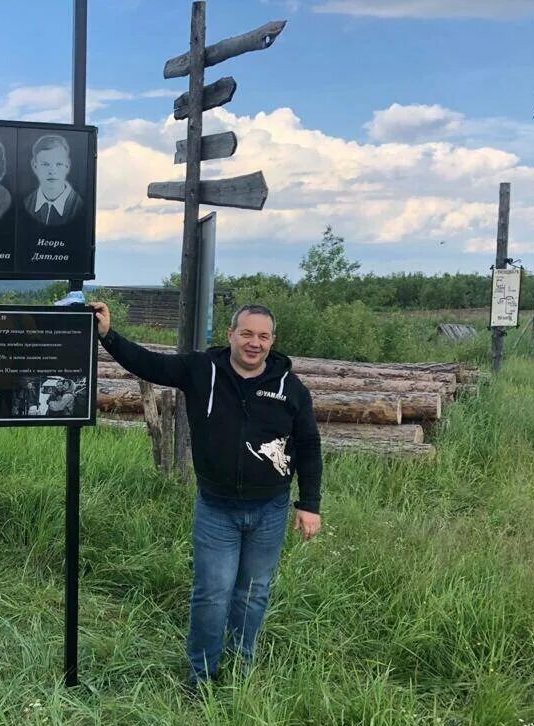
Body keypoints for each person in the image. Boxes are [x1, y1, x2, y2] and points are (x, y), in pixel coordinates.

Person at [89, 302, 322, 686]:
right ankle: (201, 676)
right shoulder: (202, 371)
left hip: (270, 509)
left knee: (253, 594)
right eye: (246, 333)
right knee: (213, 594)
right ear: (230, 334)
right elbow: (149, 364)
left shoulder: (290, 388)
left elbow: (309, 445)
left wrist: (309, 504)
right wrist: (108, 335)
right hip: (217, 509)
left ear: (272, 341)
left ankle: (239, 670)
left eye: (263, 336)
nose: (254, 343)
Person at [23, 134, 84, 226]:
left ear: (67, 165)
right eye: (45, 164)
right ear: (35, 166)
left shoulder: (80, 206)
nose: (52, 171)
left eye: (59, 164)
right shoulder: (26, 204)